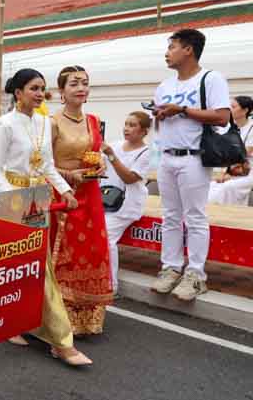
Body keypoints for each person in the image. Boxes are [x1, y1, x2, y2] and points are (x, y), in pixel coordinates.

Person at [0, 68, 91, 366]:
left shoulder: (45, 123)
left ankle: (20, 323)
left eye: (42, 88)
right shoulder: (4, 125)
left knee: (32, 265)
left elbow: (47, 166)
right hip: (14, 201)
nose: (38, 93)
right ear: (18, 92)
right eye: (33, 88)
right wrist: (13, 199)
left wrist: (65, 191)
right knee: (28, 265)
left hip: (39, 200)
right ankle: (61, 342)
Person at [151, 29, 231, 301]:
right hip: (167, 156)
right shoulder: (164, 86)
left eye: (172, 47)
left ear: (188, 49)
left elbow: (222, 117)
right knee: (171, 216)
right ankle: (170, 268)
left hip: (194, 157)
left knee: (195, 216)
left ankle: (196, 275)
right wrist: (159, 113)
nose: (167, 52)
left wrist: (182, 110)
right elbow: (160, 124)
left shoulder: (210, 79)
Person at [48, 66, 113, 335]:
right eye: (74, 83)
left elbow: (95, 154)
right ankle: (59, 318)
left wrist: (100, 166)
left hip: (90, 193)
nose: (81, 88)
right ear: (61, 91)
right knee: (65, 255)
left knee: (92, 251)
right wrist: (68, 175)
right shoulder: (51, 123)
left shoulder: (93, 121)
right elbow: (44, 164)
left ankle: (87, 318)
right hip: (63, 194)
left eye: (85, 83)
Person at [101, 112, 152, 293]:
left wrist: (112, 156)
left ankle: (111, 285)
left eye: (132, 125)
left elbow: (130, 178)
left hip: (127, 204)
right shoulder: (115, 145)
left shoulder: (146, 153)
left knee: (106, 238)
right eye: (126, 124)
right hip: (106, 200)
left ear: (144, 131)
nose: (126, 128)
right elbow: (100, 168)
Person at [208, 96, 253, 206]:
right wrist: (224, 173)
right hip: (232, 171)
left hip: (248, 172)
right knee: (210, 186)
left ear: (245, 110)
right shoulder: (229, 128)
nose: (229, 110)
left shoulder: (251, 128)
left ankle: (233, 216)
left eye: (233, 107)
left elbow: (244, 152)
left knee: (228, 187)